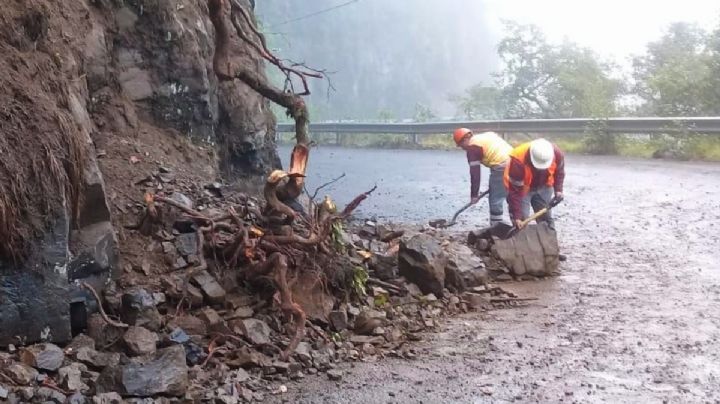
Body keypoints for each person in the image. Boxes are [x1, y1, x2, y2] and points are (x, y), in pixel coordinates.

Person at [453, 128, 513, 225]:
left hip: (501, 165)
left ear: (464, 140)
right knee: (512, 194)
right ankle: (517, 222)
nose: (463, 149)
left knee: (495, 199)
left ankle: (496, 228)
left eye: (461, 146)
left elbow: (475, 174)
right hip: (515, 161)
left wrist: (474, 195)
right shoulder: (486, 136)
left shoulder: (472, 147)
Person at [503, 138, 565, 230]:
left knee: (546, 219)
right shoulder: (518, 160)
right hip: (522, 188)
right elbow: (514, 192)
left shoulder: (557, 154)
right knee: (521, 219)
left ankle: (547, 239)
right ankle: (520, 239)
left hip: (544, 186)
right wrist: (517, 216)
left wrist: (558, 190)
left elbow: (559, 171)